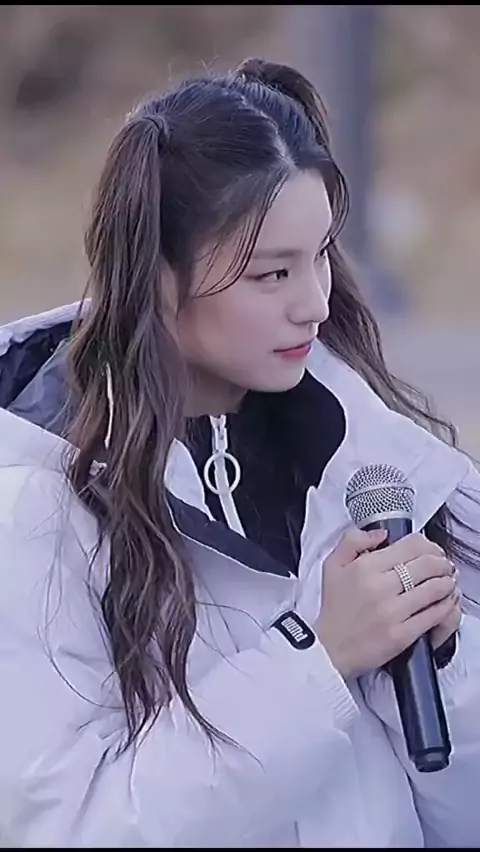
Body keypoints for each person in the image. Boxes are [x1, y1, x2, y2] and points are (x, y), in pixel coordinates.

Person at [0, 58, 480, 849]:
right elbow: (73, 829)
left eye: (321, 256)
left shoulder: (378, 465)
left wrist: (444, 665)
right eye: (272, 274)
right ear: (159, 279)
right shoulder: (39, 510)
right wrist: (319, 661)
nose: (315, 303)